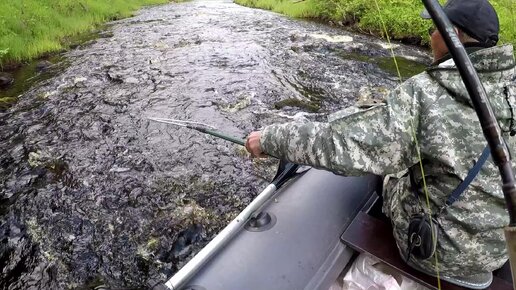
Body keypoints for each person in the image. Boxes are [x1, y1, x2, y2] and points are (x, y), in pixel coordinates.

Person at [245, 0, 515, 288]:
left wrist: (271, 139)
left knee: (388, 173)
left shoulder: (426, 93)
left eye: (433, 29)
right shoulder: (510, 87)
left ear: (454, 35)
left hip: (436, 254)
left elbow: (345, 145)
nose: (429, 36)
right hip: (495, 254)